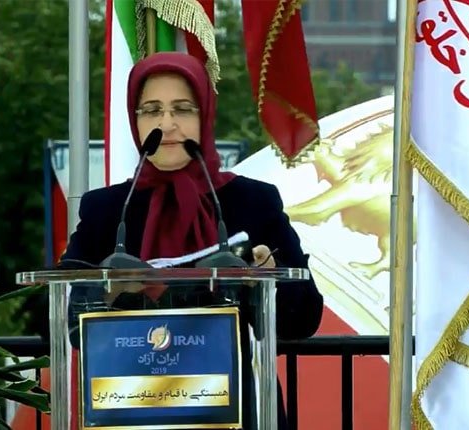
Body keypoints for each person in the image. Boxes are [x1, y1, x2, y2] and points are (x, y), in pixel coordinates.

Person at [59, 52, 323, 430]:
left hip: (236, 414)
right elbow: (54, 319)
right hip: (131, 411)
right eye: (152, 110)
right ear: (135, 120)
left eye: (182, 109)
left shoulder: (251, 201)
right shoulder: (108, 209)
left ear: (205, 117)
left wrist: (267, 278)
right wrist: (104, 292)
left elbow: (305, 320)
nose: (166, 124)